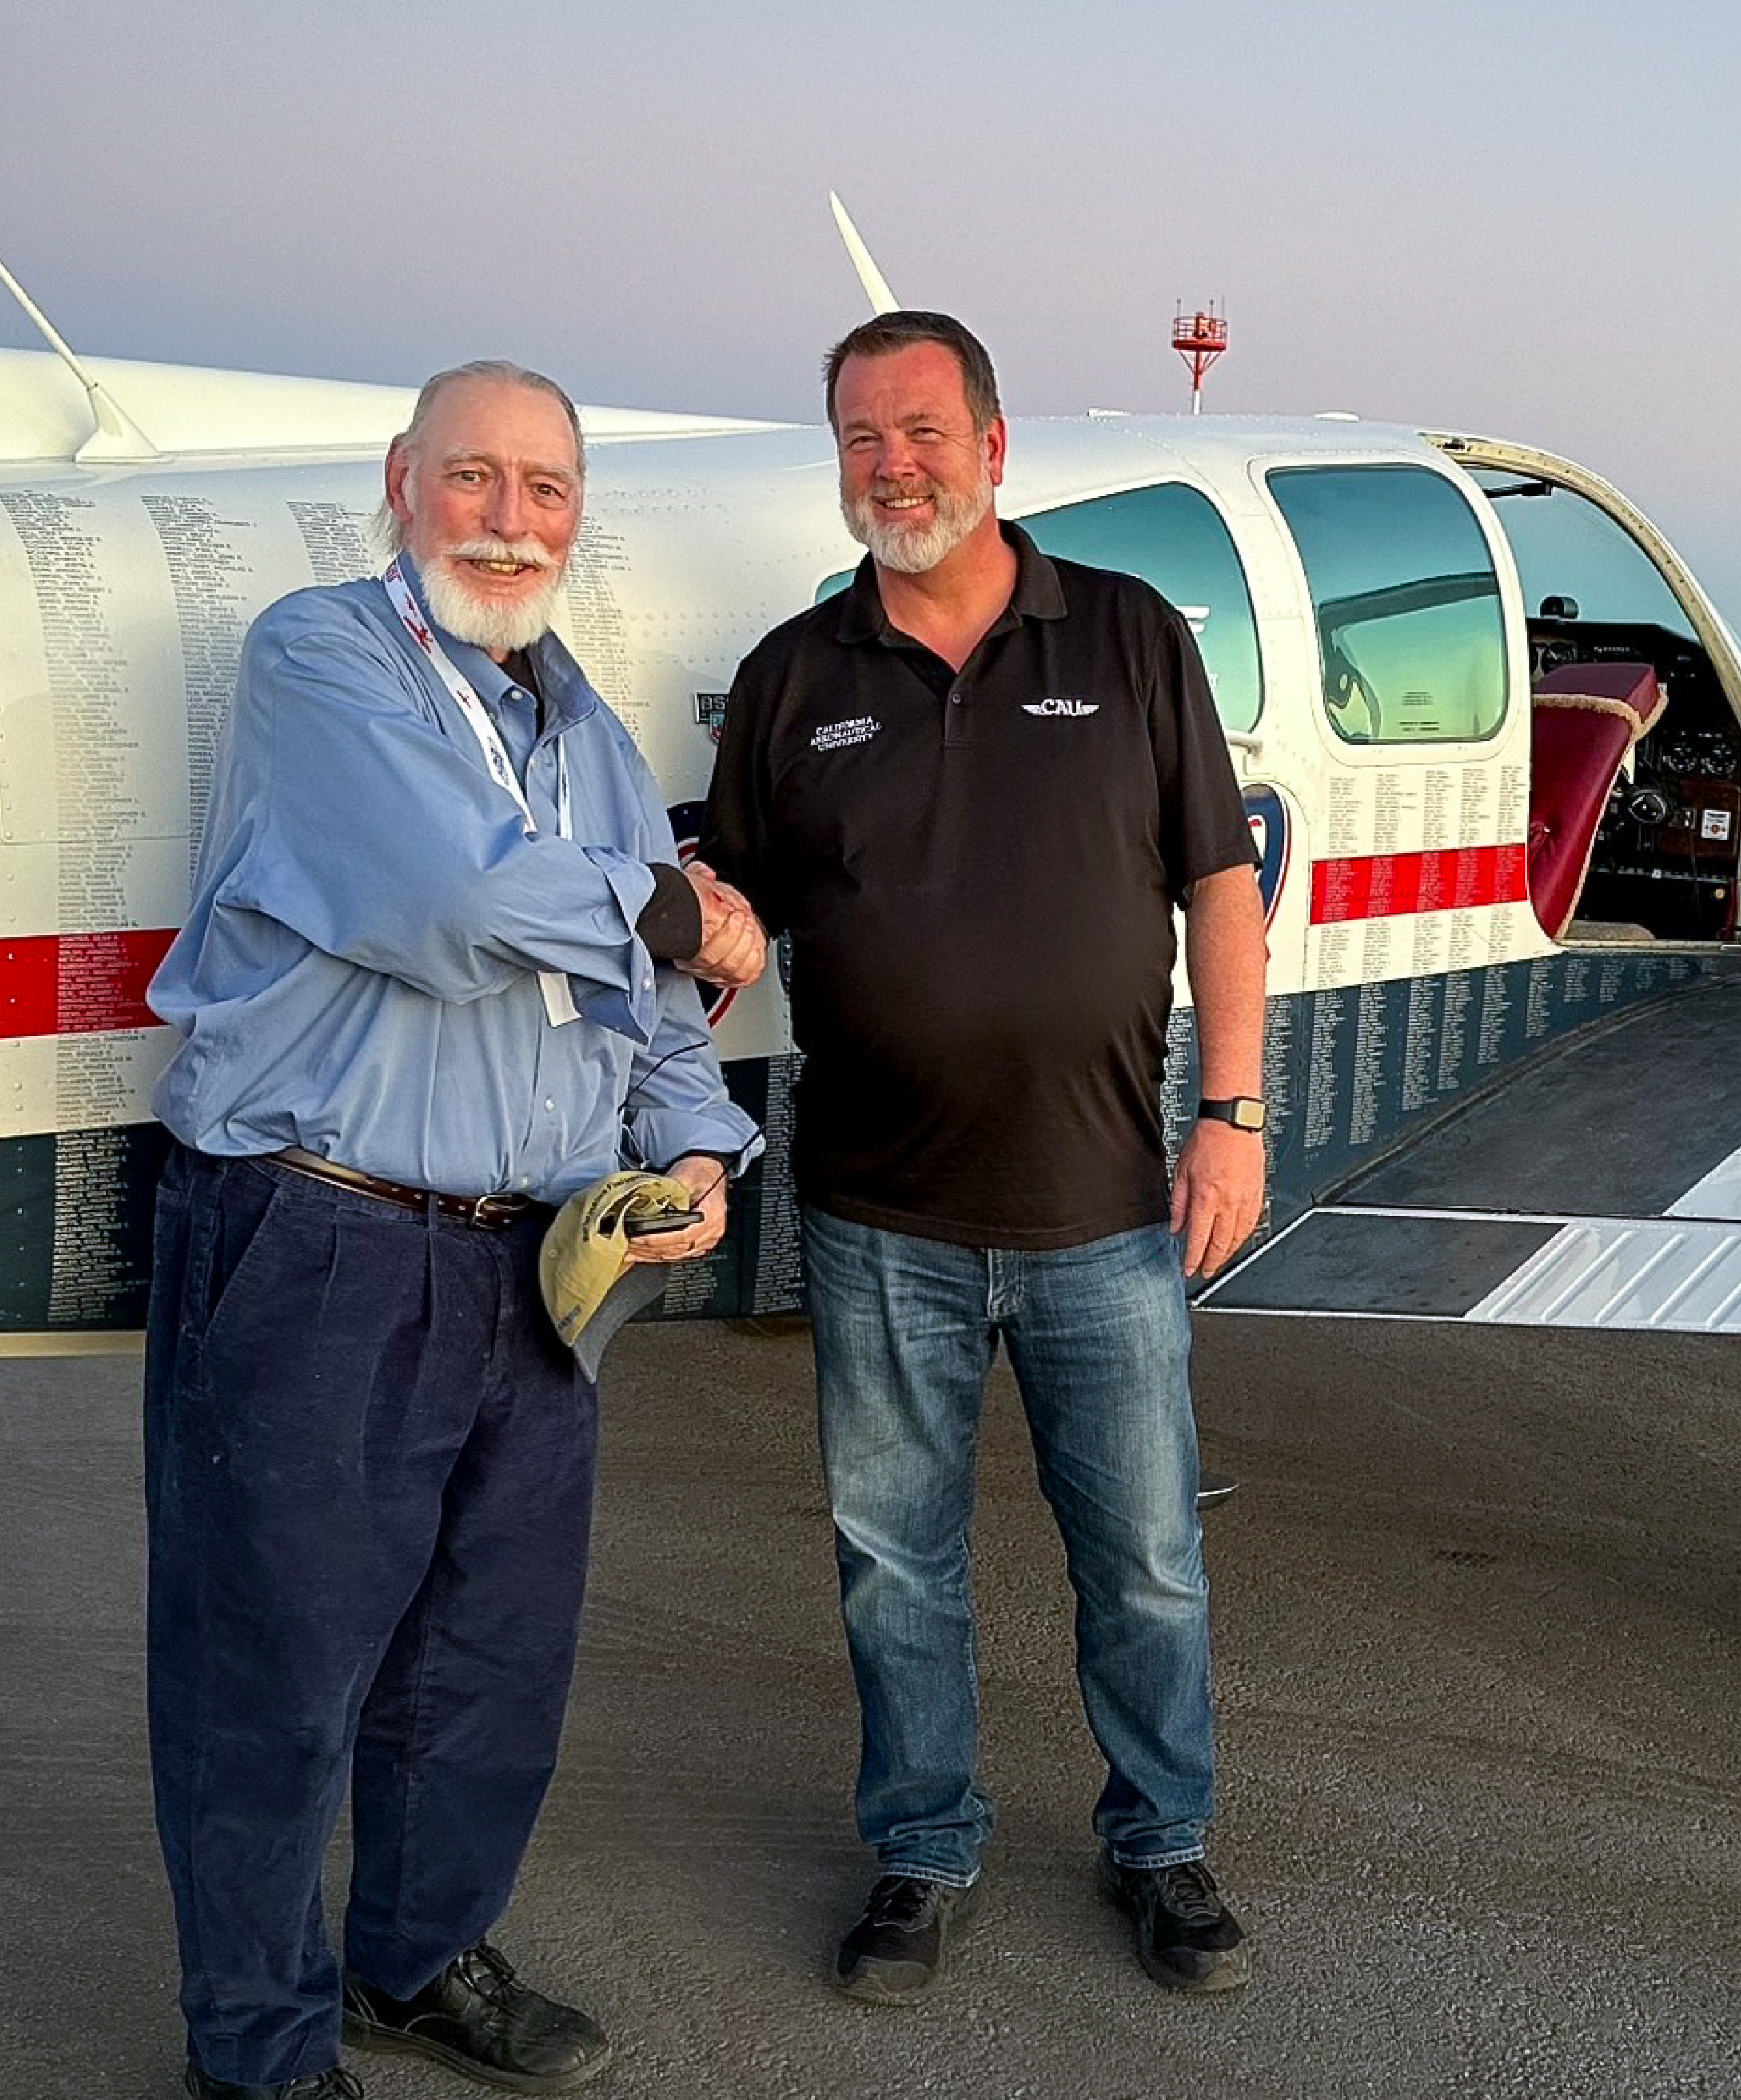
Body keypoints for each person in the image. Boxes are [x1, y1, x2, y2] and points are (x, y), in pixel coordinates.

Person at [141, 360, 766, 2099]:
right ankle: (259, 2050)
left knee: (487, 1664)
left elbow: (652, 1011)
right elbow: (454, 899)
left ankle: (411, 1965)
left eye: (547, 489)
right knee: (273, 1674)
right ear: (401, 485)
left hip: (536, 1260)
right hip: (318, 1241)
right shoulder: (320, 658)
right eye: (475, 479)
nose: (510, 519)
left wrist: (698, 1149)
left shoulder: (591, 734)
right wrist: (683, 901)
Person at [701, 311, 1269, 2003]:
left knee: (1149, 1561)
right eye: (866, 438)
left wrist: (1231, 1121)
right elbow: (736, 909)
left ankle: (1162, 1843)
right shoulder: (797, 682)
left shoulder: (1128, 632)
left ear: (997, 446)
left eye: (927, 431)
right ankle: (923, 1849)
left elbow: (1220, 886)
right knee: (895, 1568)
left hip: (1105, 1209)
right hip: (880, 1218)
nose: (898, 466)